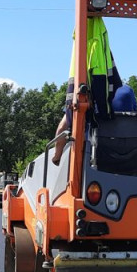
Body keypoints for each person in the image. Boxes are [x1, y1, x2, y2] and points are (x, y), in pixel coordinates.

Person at [52, 19, 122, 166]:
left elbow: (62, 127)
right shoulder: (120, 94)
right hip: (124, 157)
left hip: (93, 157)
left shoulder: (83, 55)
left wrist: (56, 157)